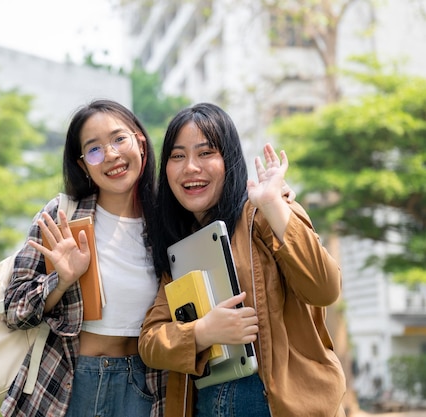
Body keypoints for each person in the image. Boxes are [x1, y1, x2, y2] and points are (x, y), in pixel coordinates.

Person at [139, 102, 346, 417]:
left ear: (229, 160)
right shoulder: (181, 248)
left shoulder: (264, 215)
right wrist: (203, 331)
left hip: (278, 404)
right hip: (208, 404)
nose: (191, 167)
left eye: (206, 153)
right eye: (178, 156)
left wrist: (273, 205)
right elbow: (150, 341)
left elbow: (325, 289)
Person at [1, 99, 166, 417]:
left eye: (119, 139)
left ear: (140, 142)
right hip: (72, 382)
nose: (112, 155)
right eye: (94, 149)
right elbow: (14, 309)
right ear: (82, 164)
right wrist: (60, 281)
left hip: (146, 384)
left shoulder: (167, 221)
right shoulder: (63, 216)